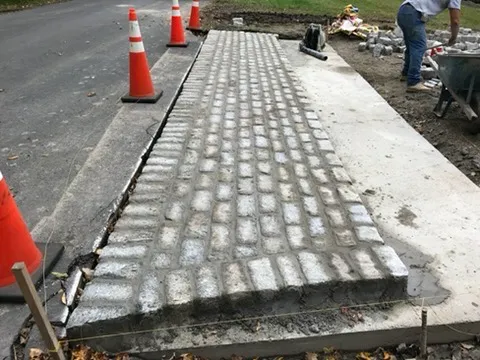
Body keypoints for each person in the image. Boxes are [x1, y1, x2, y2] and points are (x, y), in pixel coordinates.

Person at [397, 0, 461, 92]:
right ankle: (413, 81)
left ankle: (406, 73)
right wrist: (453, 37)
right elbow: (455, 21)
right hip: (414, 12)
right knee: (419, 47)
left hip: (404, 9)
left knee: (411, 45)